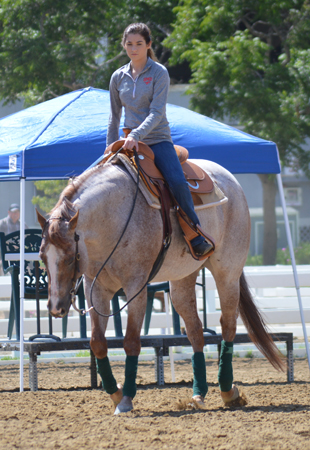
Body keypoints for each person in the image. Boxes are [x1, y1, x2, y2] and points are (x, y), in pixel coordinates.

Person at [106, 22, 213, 257]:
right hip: (127, 142)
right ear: (124, 45)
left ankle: (195, 234)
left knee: (176, 181)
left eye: (139, 44)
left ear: (149, 45)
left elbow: (157, 113)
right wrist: (108, 150)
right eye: (129, 44)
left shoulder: (159, 73)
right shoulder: (118, 76)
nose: (134, 49)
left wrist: (136, 135)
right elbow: (114, 118)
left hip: (157, 140)